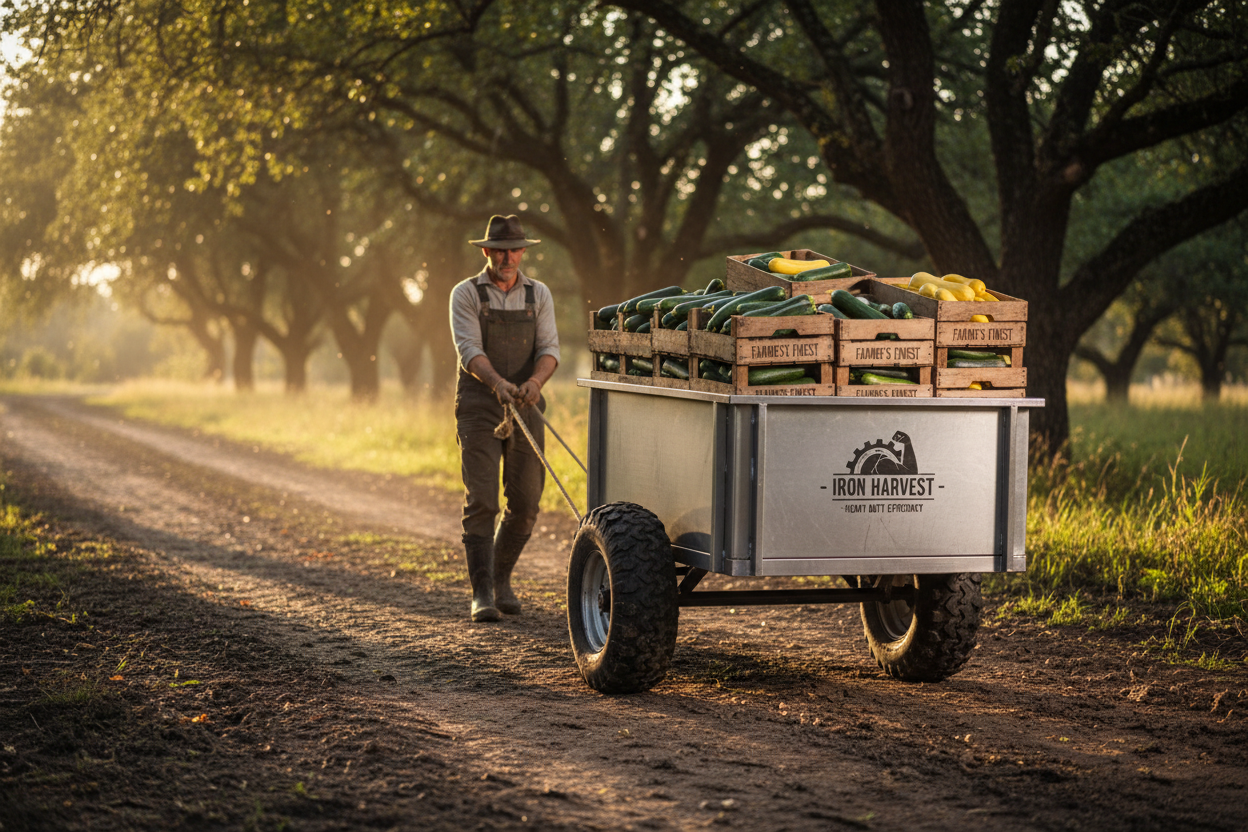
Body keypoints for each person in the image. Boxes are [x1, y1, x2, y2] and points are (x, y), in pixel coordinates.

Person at [449, 214, 560, 622]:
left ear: (523, 252)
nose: (507, 257)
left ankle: (501, 579)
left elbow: (550, 349)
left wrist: (535, 383)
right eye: (499, 250)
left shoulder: (539, 295)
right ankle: (481, 594)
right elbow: (469, 350)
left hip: (527, 404)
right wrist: (497, 383)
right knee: (482, 500)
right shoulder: (465, 294)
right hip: (480, 403)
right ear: (486, 252)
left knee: (527, 503)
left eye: (514, 250)